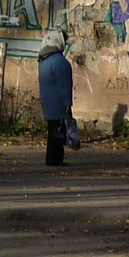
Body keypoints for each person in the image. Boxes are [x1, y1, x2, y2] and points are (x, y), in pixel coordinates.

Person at [37, 28, 74, 166]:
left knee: (52, 130)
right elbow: (64, 85)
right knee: (58, 131)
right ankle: (55, 159)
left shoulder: (44, 60)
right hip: (58, 101)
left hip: (47, 101)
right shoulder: (60, 62)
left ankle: (52, 158)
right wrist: (67, 103)